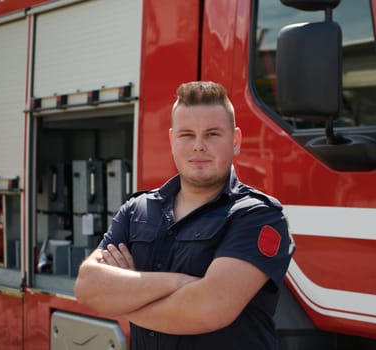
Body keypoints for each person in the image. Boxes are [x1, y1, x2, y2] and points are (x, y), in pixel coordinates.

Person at [74, 81, 295, 349]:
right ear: (171, 140)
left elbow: (209, 307)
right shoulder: (137, 210)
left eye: (212, 134)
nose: (199, 146)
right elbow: (88, 286)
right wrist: (180, 283)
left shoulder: (257, 215)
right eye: (187, 134)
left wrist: (123, 299)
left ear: (235, 141)